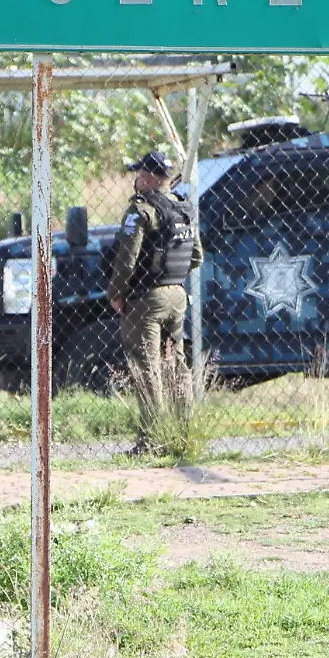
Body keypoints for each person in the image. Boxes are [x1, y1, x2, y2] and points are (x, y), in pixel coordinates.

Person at [108, 149, 202, 454]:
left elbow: (127, 258)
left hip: (146, 300)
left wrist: (117, 293)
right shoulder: (184, 208)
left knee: (146, 367)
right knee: (176, 365)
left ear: (148, 178)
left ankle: (151, 442)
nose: (136, 178)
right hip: (177, 295)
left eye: (138, 173)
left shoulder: (141, 210)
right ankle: (183, 434)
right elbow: (196, 256)